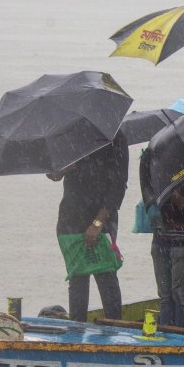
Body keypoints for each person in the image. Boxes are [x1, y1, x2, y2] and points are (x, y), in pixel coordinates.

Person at [48, 132, 129, 323]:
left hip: (103, 219)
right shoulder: (67, 133)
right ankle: (76, 333)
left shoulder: (115, 137)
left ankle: (115, 331)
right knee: (77, 279)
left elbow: (119, 185)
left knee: (106, 276)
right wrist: (67, 165)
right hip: (70, 219)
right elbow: (53, 174)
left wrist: (98, 223)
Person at [150, 181, 184, 329]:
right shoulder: (153, 167)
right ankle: (166, 336)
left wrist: (176, 196)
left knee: (179, 293)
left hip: (183, 240)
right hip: (160, 239)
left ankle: (180, 336)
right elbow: (149, 198)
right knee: (165, 295)